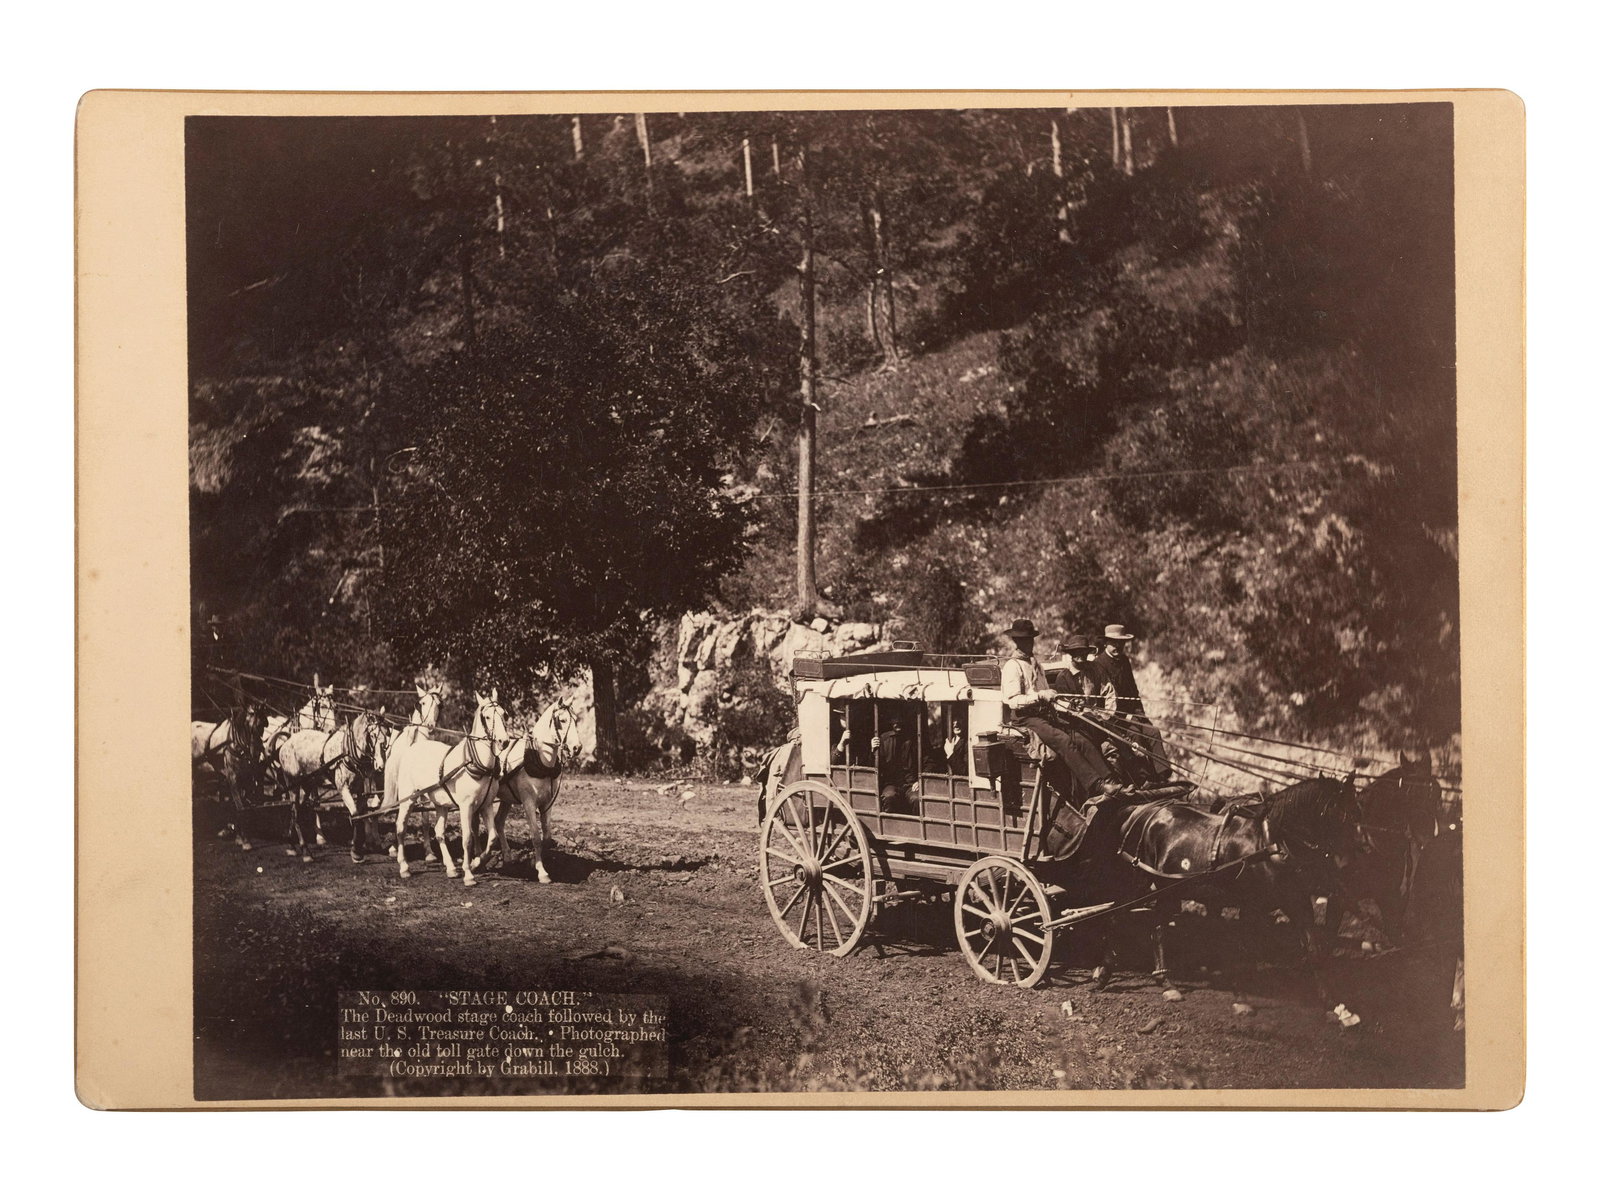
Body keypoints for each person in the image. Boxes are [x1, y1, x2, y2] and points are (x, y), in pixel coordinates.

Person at [999, 619, 1124, 804]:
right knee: (1062, 739)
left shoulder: (1036, 665)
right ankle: (1095, 784)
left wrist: (1068, 705)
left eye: (1030, 640)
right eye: (1024, 641)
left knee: (1080, 737)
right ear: (1016, 642)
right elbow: (1012, 701)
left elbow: (1050, 698)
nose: (1028, 644)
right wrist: (1040, 696)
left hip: (1043, 714)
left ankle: (1111, 780)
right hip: (1025, 718)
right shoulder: (1012, 667)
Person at [1096, 623, 1172, 779]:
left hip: (1131, 715)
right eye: (1114, 642)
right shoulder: (1099, 664)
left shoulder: (1124, 661)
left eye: (1121, 643)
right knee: (1135, 734)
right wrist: (1126, 717)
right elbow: (1104, 702)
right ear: (1105, 643)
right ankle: (1143, 779)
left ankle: (1163, 775)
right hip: (1113, 718)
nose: (1118, 646)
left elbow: (1133, 692)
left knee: (1153, 731)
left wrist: (1141, 715)